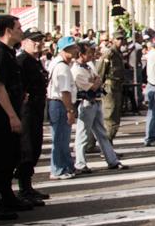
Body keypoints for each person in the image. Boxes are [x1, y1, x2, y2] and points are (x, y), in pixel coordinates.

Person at [0, 15, 32, 220]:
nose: (21, 31)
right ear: (8, 30)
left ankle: (8, 196)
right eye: (19, 27)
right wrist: (12, 115)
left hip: (11, 108)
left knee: (11, 155)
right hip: (1, 112)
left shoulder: (9, 52)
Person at [72, 42, 129, 173]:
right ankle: (80, 163)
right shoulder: (77, 70)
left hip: (95, 101)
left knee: (102, 133)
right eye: (89, 53)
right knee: (83, 135)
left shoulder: (87, 66)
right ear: (81, 54)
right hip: (86, 103)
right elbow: (93, 85)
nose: (92, 55)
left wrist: (96, 81)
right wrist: (95, 82)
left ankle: (112, 160)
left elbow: (98, 79)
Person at [15, 27, 49, 204]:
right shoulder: (21, 61)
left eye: (40, 40)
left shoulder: (35, 61)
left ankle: (28, 186)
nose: (38, 43)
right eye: (34, 40)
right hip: (26, 111)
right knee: (27, 149)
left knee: (34, 148)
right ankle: (23, 188)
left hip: (36, 109)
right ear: (25, 41)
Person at [46, 36, 79, 180]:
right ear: (64, 50)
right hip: (60, 104)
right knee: (60, 138)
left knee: (62, 138)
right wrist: (70, 110)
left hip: (58, 103)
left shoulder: (58, 64)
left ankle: (66, 166)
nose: (76, 50)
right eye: (72, 48)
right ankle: (58, 169)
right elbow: (65, 91)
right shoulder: (62, 67)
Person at [98, 30, 126, 140]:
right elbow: (101, 71)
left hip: (118, 87)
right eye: (118, 39)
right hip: (109, 88)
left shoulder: (119, 53)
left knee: (116, 116)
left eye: (122, 39)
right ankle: (106, 147)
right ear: (113, 40)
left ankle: (109, 144)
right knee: (110, 117)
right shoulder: (109, 54)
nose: (120, 41)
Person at [143, 32, 155, 147]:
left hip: (152, 84)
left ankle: (151, 136)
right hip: (154, 85)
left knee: (153, 113)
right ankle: (151, 137)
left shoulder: (152, 52)